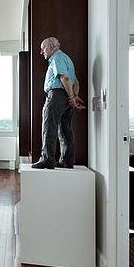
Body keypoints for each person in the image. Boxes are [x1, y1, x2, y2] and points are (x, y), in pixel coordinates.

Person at [32, 36, 85, 169]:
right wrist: (73, 96)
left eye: (43, 49)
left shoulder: (57, 58)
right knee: (65, 129)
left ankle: (47, 159)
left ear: (51, 47)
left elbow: (65, 78)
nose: (42, 52)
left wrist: (72, 98)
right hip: (66, 96)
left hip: (56, 95)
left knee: (49, 126)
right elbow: (75, 81)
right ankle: (67, 161)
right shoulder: (67, 59)